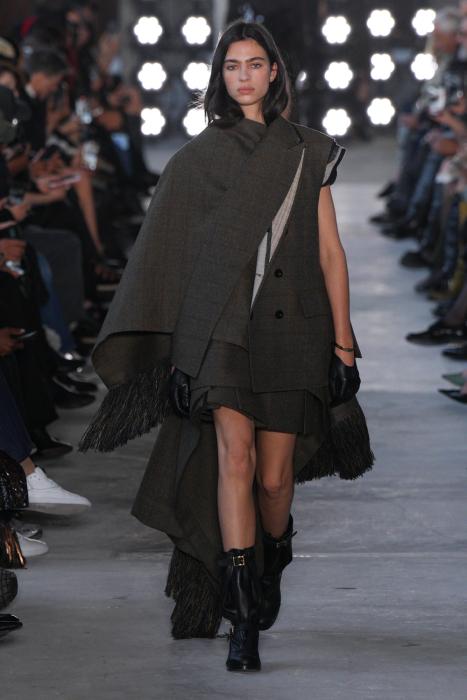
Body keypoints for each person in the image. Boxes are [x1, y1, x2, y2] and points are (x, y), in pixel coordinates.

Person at [81, 21, 374, 673]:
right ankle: (242, 617)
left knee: (274, 480)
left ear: (275, 73)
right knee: (234, 461)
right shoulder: (197, 160)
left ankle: (275, 551)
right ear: (219, 76)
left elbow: (331, 253)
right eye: (231, 66)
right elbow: (168, 258)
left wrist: (344, 345)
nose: (243, 76)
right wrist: (181, 353)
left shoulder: (309, 150)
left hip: (291, 331)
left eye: (254, 64)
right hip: (219, 335)